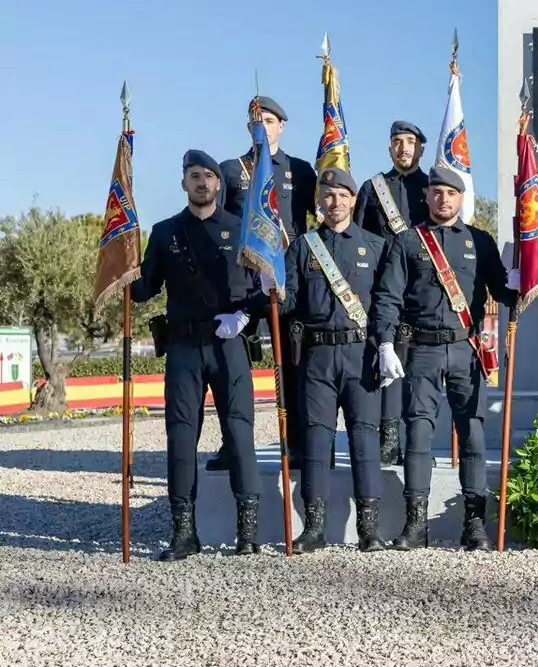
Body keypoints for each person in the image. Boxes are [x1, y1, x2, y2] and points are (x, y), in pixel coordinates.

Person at [370, 167, 520, 551]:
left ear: (460, 198)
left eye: (450, 193)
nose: (443, 199)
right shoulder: (406, 242)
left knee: (472, 434)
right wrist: (385, 344)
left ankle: (475, 524)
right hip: (422, 350)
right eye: (436, 192)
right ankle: (415, 524)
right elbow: (387, 298)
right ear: (428, 196)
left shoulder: (478, 240)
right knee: (418, 435)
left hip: (465, 351)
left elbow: (501, 290)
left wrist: (519, 283)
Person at [129, 149, 262, 561]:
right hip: (184, 347)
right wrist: (123, 266)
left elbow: (265, 289)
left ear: (218, 185)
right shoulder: (165, 232)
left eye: (208, 176)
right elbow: (144, 289)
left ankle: (248, 532)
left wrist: (244, 318)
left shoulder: (242, 229)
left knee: (240, 434)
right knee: (181, 437)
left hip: (228, 344)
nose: (202, 182)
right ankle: (184, 532)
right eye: (193, 176)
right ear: (183, 183)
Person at [282, 167, 390, 553]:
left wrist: (387, 345)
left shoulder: (376, 246)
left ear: (353, 201)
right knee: (316, 440)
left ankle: (369, 529)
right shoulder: (302, 247)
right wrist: (273, 290)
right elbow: (290, 300)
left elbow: (386, 304)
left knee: (364, 438)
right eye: (328, 195)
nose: (335, 202)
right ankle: (313, 527)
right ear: (319, 201)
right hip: (317, 357)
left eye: (342, 195)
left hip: (360, 356)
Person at [209, 96, 317, 472]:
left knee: (293, 366)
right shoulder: (230, 169)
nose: (263, 125)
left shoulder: (301, 171)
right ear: (248, 125)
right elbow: (220, 225)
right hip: (242, 282)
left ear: (281, 126)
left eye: (270, 120)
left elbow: (312, 226)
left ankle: (298, 444)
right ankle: (233, 443)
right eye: (257, 119)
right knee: (232, 369)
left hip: (287, 282)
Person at [354, 120, 431, 468]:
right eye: (397, 142)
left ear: (421, 148)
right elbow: (358, 237)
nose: (403, 148)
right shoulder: (374, 189)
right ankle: (388, 437)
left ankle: (416, 440)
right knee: (386, 360)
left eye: (410, 142)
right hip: (384, 288)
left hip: (424, 288)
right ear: (389, 148)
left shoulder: (433, 189)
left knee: (419, 368)